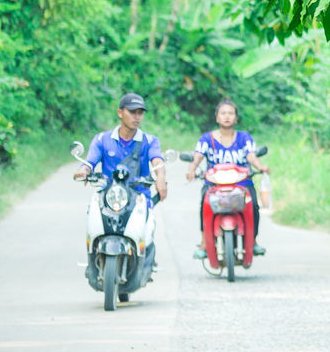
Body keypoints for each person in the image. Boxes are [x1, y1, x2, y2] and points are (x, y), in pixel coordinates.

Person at [185, 99, 269, 255]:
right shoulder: (206, 139)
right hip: (214, 184)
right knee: (204, 205)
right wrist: (192, 170)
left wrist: (260, 167)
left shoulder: (244, 138)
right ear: (217, 117)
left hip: (242, 183)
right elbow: (197, 157)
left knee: (254, 206)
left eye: (231, 113)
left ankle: (254, 240)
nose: (227, 116)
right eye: (223, 113)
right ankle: (204, 242)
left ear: (236, 118)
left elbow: (251, 157)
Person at [74, 92, 169, 205]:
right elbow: (89, 163)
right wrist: (83, 170)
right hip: (108, 199)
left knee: (147, 221)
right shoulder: (102, 139)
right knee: (94, 214)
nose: (136, 117)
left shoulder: (150, 141)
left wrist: (161, 177)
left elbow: (157, 160)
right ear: (120, 112)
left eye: (140, 113)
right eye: (132, 112)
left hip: (139, 201)